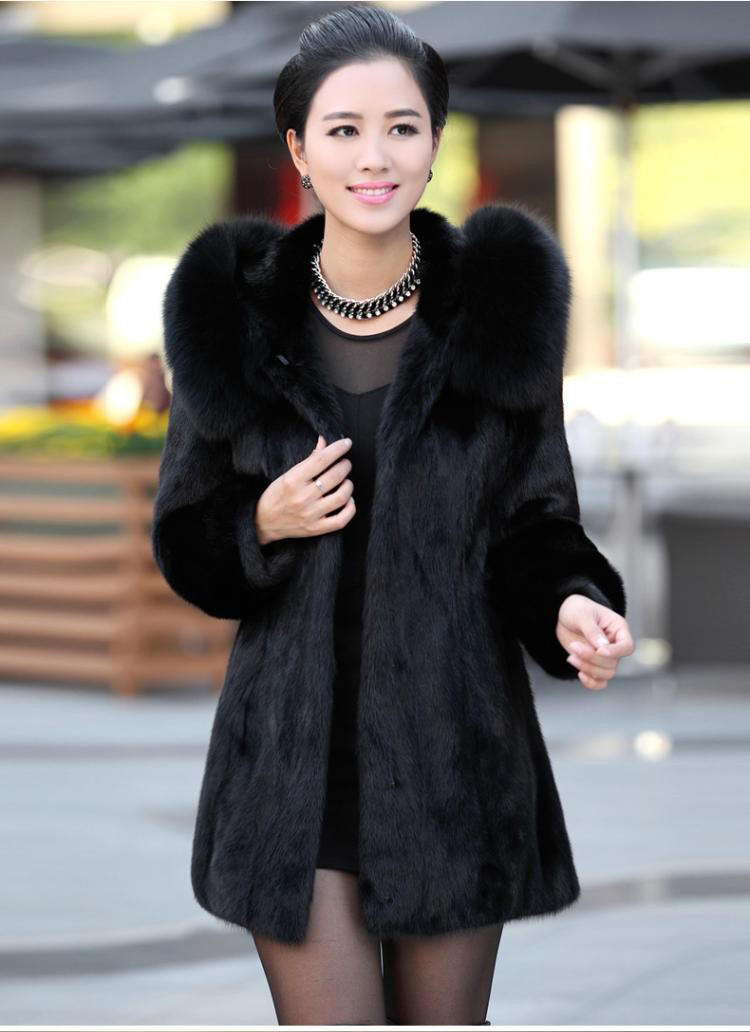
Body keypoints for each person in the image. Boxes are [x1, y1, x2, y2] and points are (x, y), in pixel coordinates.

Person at [151, 4, 634, 1025]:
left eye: (402, 127)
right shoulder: (231, 317)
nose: (374, 157)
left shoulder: (500, 313)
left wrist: (571, 602)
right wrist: (261, 523)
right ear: (299, 150)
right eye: (344, 129)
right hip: (289, 776)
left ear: (434, 142)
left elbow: (535, 522)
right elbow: (186, 538)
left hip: (455, 762)